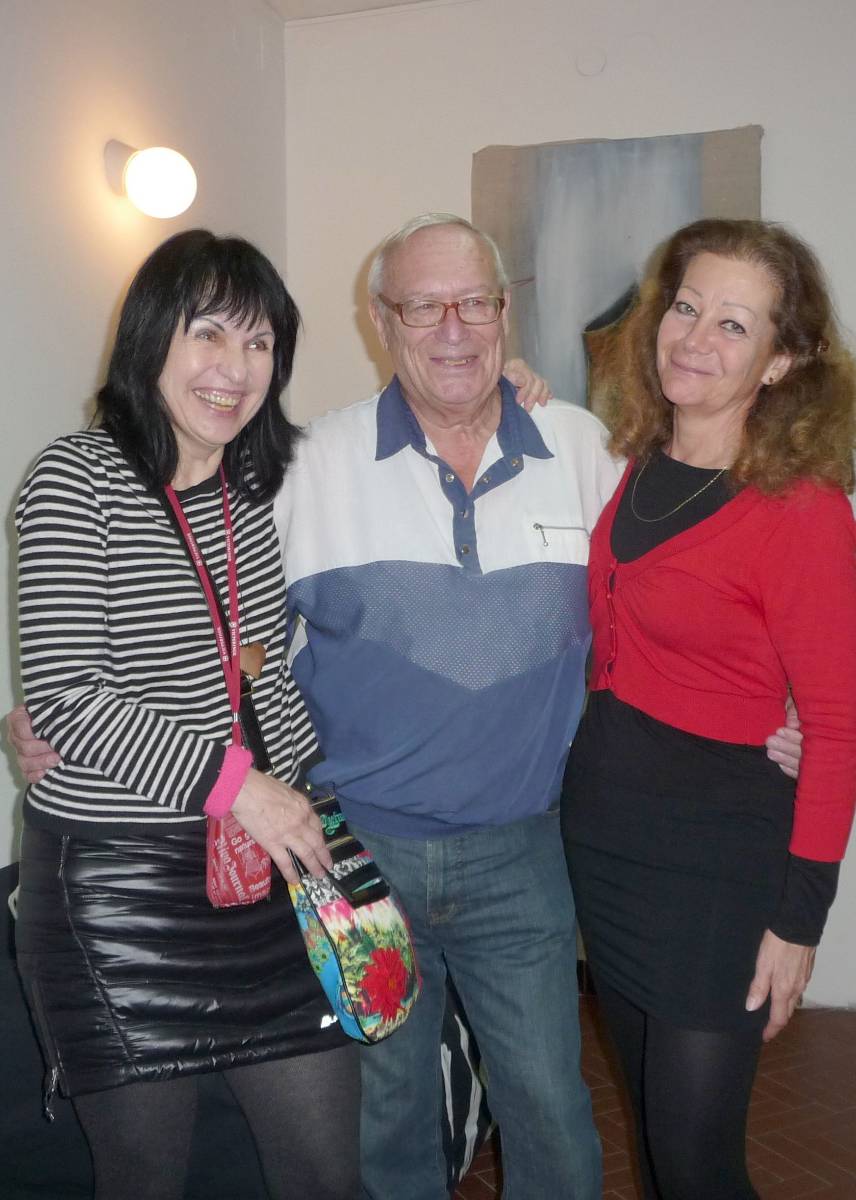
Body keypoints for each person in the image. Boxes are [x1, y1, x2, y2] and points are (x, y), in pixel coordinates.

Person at [12, 229, 361, 1200]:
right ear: (151, 337)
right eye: (208, 334)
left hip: (258, 884)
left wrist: (310, 801)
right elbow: (68, 699)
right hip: (118, 894)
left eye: (259, 344)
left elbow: (264, 690)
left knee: (326, 1171)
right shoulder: (73, 479)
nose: (234, 369)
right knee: (144, 1180)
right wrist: (241, 786)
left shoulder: (248, 501)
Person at [561, 218, 856, 1200]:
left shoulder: (802, 508)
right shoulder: (639, 458)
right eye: (686, 307)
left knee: (697, 1164)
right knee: (655, 1146)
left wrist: (798, 923)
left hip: (718, 867)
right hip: (609, 845)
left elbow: (839, 727)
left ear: (780, 361)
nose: (694, 338)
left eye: (734, 324)